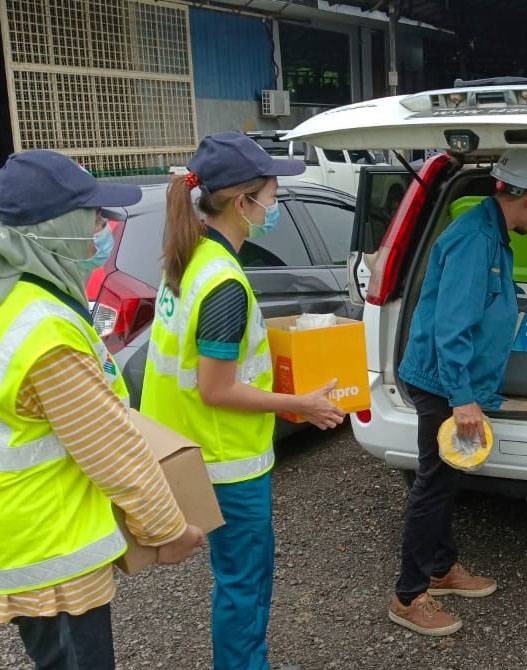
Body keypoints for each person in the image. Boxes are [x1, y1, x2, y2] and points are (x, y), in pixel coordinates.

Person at [0, 150, 205, 669]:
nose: (102, 228)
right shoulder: (45, 332)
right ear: (51, 228)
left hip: (20, 532)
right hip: (51, 550)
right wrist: (169, 532)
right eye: (91, 216)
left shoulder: (7, 295)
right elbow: (111, 451)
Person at [140, 132, 346, 669]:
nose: (275, 207)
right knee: (244, 584)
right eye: (273, 196)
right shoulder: (224, 282)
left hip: (189, 448)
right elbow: (216, 387)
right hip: (227, 460)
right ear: (242, 201)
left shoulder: (187, 260)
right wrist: (300, 401)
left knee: (234, 580)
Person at [389, 148, 527, 636]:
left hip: (454, 382)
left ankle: (442, 568)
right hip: (444, 384)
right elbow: (452, 325)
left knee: (447, 479)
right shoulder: (474, 240)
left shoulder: (490, 233)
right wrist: (462, 397)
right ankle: (408, 595)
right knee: (434, 485)